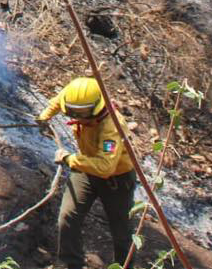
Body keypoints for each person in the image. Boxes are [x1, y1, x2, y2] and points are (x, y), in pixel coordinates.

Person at [38, 76, 138, 269]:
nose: (78, 118)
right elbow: (59, 101)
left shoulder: (112, 127)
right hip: (86, 169)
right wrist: (44, 117)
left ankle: (126, 266)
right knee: (67, 217)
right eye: (74, 113)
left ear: (96, 108)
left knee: (122, 233)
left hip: (115, 180)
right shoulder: (76, 96)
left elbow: (105, 167)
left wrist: (69, 159)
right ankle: (70, 264)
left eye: (82, 114)